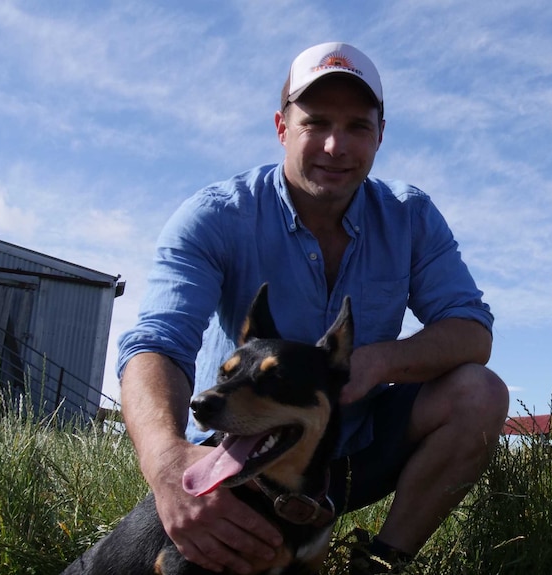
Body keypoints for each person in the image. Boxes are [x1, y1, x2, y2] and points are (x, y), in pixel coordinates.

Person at [117, 41, 509, 575]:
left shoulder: (410, 216)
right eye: (315, 123)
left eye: (357, 127)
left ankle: (379, 562)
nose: (335, 146)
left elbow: (471, 331)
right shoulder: (214, 217)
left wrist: (377, 362)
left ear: (380, 135)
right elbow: (157, 343)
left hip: (354, 453)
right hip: (241, 457)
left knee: (479, 391)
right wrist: (166, 464)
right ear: (282, 127)